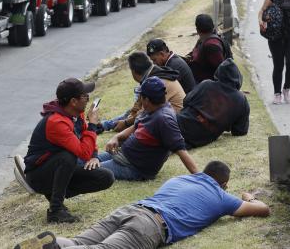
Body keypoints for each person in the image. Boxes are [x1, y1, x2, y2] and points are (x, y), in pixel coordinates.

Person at [14, 161, 270, 249]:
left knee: (81, 240)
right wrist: (248, 197)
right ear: (223, 184)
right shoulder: (221, 196)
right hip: (151, 225)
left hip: (131, 209)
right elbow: (263, 210)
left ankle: (53, 242)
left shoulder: (180, 179)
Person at [21, 78, 115, 223]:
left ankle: (56, 194)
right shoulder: (56, 122)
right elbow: (82, 152)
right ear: (73, 101)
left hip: (59, 170)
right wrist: (92, 125)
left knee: (106, 177)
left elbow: (86, 144)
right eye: (85, 97)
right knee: (67, 156)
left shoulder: (77, 114)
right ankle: (55, 211)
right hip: (38, 176)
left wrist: (94, 156)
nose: (87, 100)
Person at [97, 76, 198, 181]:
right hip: (121, 156)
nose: (139, 99)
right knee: (88, 160)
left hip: (133, 168)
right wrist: (116, 137)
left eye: (141, 96)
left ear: (147, 99)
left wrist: (201, 178)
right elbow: (135, 127)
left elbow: (181, 150)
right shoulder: (152, 108)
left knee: (88, 170)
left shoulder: (164, 119)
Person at [99, 51, 185, 132]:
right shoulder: (155, 73)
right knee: (131, 112)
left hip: (174, 123)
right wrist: (132, 114)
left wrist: (126, 123)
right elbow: (138, 110)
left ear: (133, 71)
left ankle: (104, 125)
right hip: (169, 116)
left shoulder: (156, 82)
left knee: (132, 137)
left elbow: (144, 115)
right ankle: (104, 125)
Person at [177, 59, 249, 148]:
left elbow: (185, 101)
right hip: (200, 139)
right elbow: (240, 131)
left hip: (178, 126)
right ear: (238, 78)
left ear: (218, 73)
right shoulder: (241, 100)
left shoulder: (206, 84)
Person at [185, 14, 231, 83]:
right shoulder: (203, 40)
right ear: (212, 27)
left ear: (197, 30)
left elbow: (222, 70)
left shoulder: (211, 45)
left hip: (209, 87)